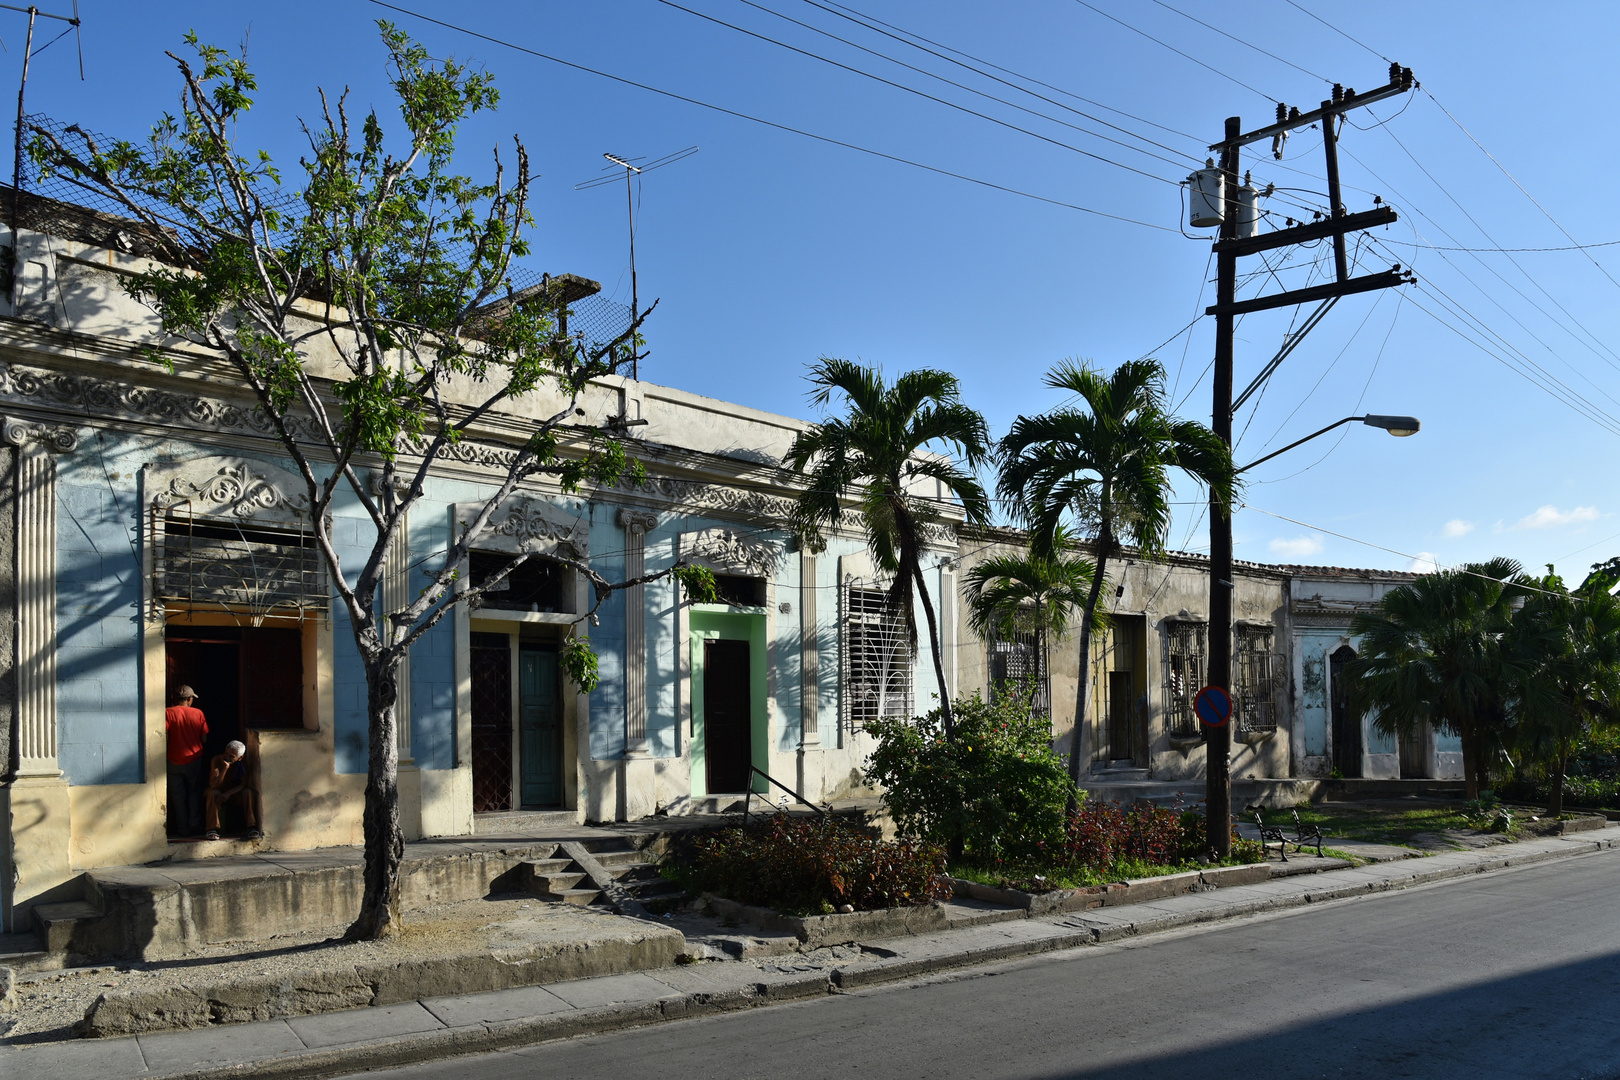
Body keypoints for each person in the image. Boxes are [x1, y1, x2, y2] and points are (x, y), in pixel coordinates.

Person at [165, 685, 208, 837]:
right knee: (194, 792)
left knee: (178, 796)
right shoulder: (198, 713)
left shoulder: (167, 713)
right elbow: (204, 738)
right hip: (194, 760)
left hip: (173, 760)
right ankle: (194, 823)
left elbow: (165, 737)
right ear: (190, 699)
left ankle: (182, 830)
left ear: (174, 698)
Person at [204, 740, 261, 841]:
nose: (227, 757)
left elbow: (243, 784)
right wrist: (225, 768)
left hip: (233, 794)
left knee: (247, 792)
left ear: (240, 758)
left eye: (231, 756)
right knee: (213, 793)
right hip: (219, 792)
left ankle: (251, 826)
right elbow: (214, 785)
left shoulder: (242, 764)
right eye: (226, 753)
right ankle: (212, 829)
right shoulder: (217, 760)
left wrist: (229, 793)